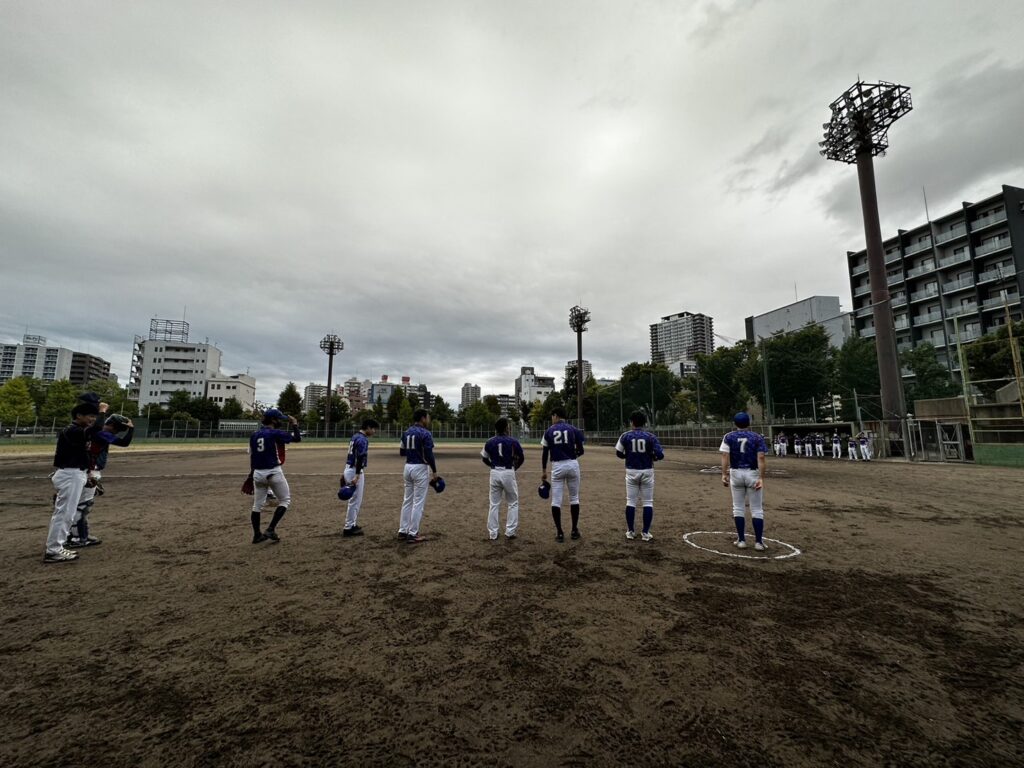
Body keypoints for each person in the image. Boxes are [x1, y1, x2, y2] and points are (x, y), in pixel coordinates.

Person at [44, 400, 107, 563]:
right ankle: (53, 550)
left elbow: (83, 453)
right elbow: (95, 430)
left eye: (94, 416)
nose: (92, 419)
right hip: (70, 474)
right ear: (78, 416)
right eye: (89, 416)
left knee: (68, 513)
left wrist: (87, 474)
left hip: (76, 473)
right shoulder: (73, 430)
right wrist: (102, 412)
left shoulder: (77, 431)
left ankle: (56, 547)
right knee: (64, 514)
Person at [68, 413, 135, 548]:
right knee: (83, 506)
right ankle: (78, 537)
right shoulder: (101, 433)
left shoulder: (92, 431)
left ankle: (74, 534)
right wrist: (131, 429)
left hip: (84, 470)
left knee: (77, 504)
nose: (116, 432)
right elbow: (124, 442)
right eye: (116, 429)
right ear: (111, 425)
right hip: (90, 471)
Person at [248, 408, 301, 543]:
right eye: (278, 419)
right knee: (285, 500)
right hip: (273, 471)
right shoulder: (274, 433)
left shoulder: (254, 435)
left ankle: (257, 535)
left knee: (257, 506)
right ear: (272, 420)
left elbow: (253, 456)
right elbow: (297, 438)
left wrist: (251, 475)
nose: (280, 421)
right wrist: (294, 423)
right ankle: (271, 529)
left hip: (258, 473)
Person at [719, 411, 769, 551]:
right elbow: (761, 458)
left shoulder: (729, 436)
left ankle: (741, 540)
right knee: (757, 509)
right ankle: (759, 542)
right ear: (749, 423)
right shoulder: (757, 437)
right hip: (752, 472)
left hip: (736, 473)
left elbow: (724, 455)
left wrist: (724, 474)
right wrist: (761, 477)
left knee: (738, 507)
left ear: (735, 423)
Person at [615, 410, 665, 541]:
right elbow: (660, 455)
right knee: (648, 502)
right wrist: (652, 456)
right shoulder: (651, 436)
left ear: (632, 422)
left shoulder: (625, 436)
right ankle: (645, 533)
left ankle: (631, 531)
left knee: (630, 501)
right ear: (644, 423)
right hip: (647, 470)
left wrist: (628, 455)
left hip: (631, 471)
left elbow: (618, 453)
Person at [541, 406, 585, 542]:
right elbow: (581, 450)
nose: (552, 419)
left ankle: (560, 533)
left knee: (556, 501)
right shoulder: (573, 429)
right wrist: (573, 456)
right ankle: (574, 530)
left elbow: (545, 453)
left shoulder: (549, 431)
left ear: (555, 415)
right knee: (574, 498)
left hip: (557, 466)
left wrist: (544, 471)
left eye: (552, 416)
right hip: (572, 464)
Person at [480, 417, 525, 540]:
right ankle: (510, 531)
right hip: (508, 471)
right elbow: (521, 458)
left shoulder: (490, 441)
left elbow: (484, 458)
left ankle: (493, 533)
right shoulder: (513, 441)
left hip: (494, 472)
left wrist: (492, 466)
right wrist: (515, 468)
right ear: (506, 428)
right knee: (513, 502)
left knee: (494, 504)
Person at [398, 409, 438, 543]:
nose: (429, 419)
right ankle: (413, 533)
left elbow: (402, 452)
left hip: (407, 466)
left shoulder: (406, 432)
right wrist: (434, 471)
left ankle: (403, 531)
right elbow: (429, 454)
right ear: (422, 418)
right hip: (420, 467)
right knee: (418, 502)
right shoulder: (425, 433)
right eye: (428, 417)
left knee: (407, 500)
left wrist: (413, 451)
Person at [341, 418, 379, 537]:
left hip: (349, 468)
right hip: (354, 471)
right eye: (373, 429)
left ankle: (352, 524)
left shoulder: (355, 436)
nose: (374, 431)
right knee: (355, 501)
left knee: (354, 500)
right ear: (367, 427)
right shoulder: (363, 439)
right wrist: (357, 475)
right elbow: (360, 458)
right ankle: (348, 527)